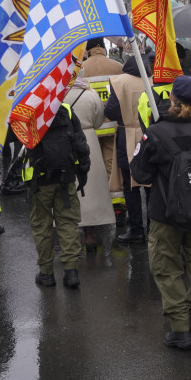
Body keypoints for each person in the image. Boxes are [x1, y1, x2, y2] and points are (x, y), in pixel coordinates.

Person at [131, 76, 191, 350]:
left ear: (172, 99)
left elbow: (140, 173)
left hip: (164, 213)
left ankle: (180, 329)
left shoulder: (155, 133)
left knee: (167, 269)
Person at [22, 99, 90, 288]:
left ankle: (46, 275)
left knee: (41, 225)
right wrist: (83, 170)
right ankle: (71, 273)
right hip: (65, 176)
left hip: (38, 180)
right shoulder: (65, 109)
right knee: (68, 223)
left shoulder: (24, 110)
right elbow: (80, 143)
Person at [105, 55, 154, 244]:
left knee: (130, 185)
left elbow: (110, 111)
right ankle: (152, 227)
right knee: (151, 184)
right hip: (150, 135)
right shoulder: (153, 81)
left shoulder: (119, 82)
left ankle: (135, 229)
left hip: (127, 134)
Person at [63, 78, 115, 255]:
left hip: (65, 141)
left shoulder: (58, 93)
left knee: (69, 188)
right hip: (88, 141)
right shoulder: (90, 93)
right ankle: (90, 234)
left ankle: (71, 234)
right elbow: (100, 121)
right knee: (91, 189)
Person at [81, 37, 125, 234]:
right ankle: (118, 206)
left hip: (90, 127)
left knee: (92, 169)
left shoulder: (82, 68)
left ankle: (94, 209)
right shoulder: (117, 66)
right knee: (111, 165)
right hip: (113, 125)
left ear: (88, 49)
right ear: (103, 47)